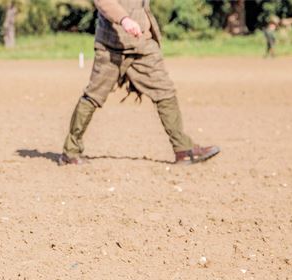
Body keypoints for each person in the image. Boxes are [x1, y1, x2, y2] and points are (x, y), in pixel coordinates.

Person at [59, 0, 220, 165]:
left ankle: (183, 149)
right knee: (93, 96)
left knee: (165, 91)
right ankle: (71, 151)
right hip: (111, 48)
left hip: (143, 43)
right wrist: (124, 19)